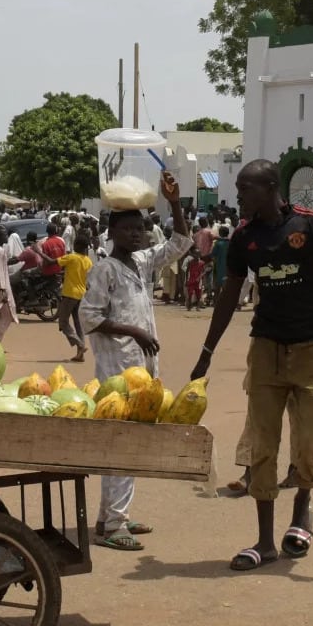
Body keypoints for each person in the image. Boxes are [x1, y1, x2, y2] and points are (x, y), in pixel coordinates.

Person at [194, 161, 313, 572]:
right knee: (262, 448)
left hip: (312, 349)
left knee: (307, 444)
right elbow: (228, 295)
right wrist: (206, 351)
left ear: (271, 188)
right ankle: (265, 542)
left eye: (245, 188)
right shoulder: (243, 237)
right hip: (267, 349)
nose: (238, 196)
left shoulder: (311, 227)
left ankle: (301, 511)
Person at [80, 172, 194, 550]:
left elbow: (180, 243)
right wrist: (134, 331)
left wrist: (174, 202)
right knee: (122, 444)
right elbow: (90, 318)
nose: (136, 235)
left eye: (140, 228)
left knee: (129, 444)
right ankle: (114, 525)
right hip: (118, 371)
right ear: (112, 233)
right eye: (128, 229)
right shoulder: (104, 269)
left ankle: (113, 517)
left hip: (142, 369)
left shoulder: (143, 263)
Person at [57, 231, 95, 362]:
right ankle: (80, 354)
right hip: (82, 294)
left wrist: (39, 252)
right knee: (78, 323)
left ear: (78, 246)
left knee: (63, 321)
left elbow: (54, 262)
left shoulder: (72, 257)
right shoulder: (88, 261)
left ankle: (79, 344)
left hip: (70, 294)